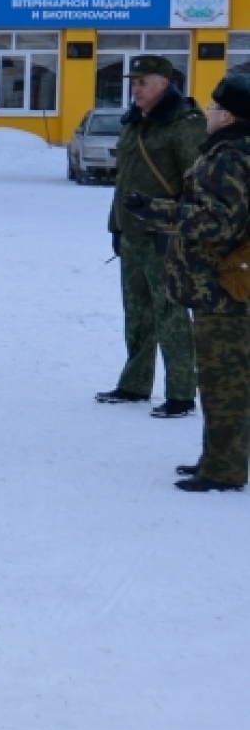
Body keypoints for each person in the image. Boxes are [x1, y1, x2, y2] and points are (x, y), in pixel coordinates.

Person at [127, 73, 250, 492]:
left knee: (224, 381)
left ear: (229, 115)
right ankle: (216, 458)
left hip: (223, 289)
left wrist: (161, 213)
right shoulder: (228, 150)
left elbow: (218, 220)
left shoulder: (231, 156)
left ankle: (225, 469)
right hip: (222, 285)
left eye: (215, 109)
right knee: (221, 379)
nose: (208, 114)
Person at [100, 55, 208, 417]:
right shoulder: (134, 122)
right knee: (138, 313)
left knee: (171, 315)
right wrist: (115, 225)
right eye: (134, 82)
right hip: (132, 234)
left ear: (164, 83)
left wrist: (183, 231)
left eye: (143, 82)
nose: (135, 88)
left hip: (166, 235)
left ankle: (180, 392)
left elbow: (196, 184)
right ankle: (135, 383)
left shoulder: (184, 125)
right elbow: (124, 181)